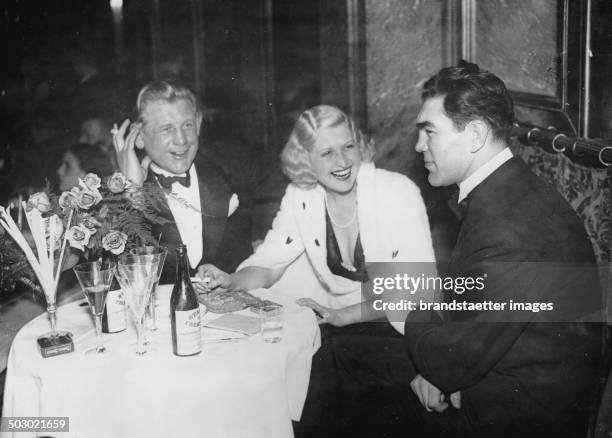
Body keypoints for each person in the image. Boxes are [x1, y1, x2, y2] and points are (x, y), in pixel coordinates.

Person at [297, 62, 603, 438]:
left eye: (429, 132)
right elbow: (475, 307)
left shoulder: (508, 225)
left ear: (474, 135)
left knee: (342, 374)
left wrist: (408, 311)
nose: (418, 146)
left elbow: (450, 361)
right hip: (496, 366)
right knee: (343, 350)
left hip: (514, 412)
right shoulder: (507, 191)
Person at [197, 104, 435, 330]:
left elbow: (415, 290)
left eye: (348, 147)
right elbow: (270, 264)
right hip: (332, 319)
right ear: (306, 159)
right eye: (327, 153)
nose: (342, 161)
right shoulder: (302, 195)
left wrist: (344, 316)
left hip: (397, 323)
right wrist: (230, 280)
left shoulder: (398, 192)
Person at [112, 80, 252, 284]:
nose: (181, 140)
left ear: (199, 123)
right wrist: (133, 191)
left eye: (187, 125)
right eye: (167, 129)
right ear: (139, 136)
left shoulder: (232, 169)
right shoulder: (120, 195)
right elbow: (128, 278)